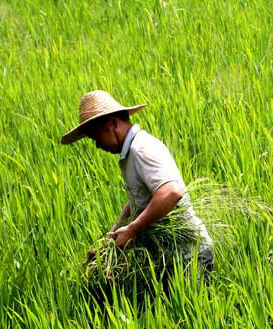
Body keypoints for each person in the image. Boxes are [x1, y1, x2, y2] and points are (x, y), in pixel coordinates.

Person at [61, 90, 213, 278]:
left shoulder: (142, 149)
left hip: (189, 257)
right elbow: (141, 196)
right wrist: (118, 228)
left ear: (112, 123)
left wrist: (133, 229)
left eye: (95, 137)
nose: (97, 145)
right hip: (169, 257)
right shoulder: (130, 153)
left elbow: (171, 192)